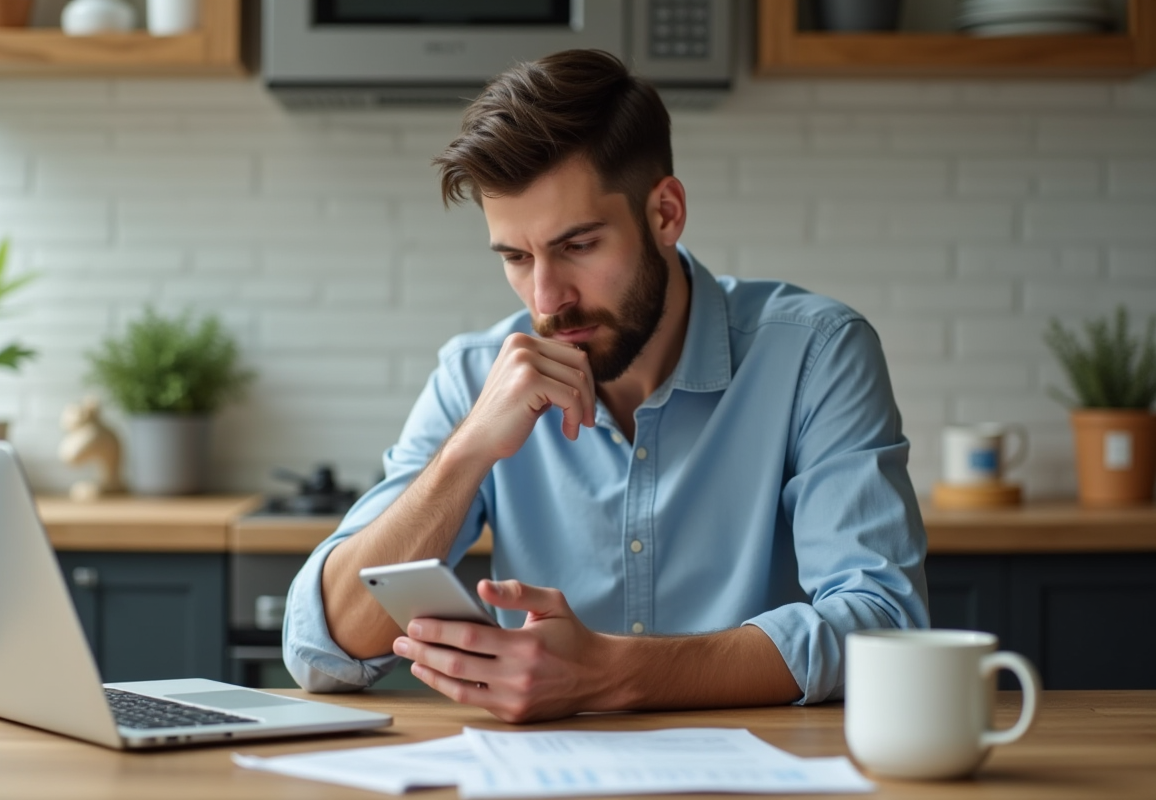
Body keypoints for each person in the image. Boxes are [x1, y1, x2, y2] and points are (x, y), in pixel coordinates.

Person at [284, 49, 928, 722]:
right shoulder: (476, 374)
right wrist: (467, 451)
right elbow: (321, 651)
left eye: (578, 246)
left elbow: (884, 626)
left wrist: (612, 675)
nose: (547, 297)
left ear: (665, 214)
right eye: (515, 256)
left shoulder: (816, 353)